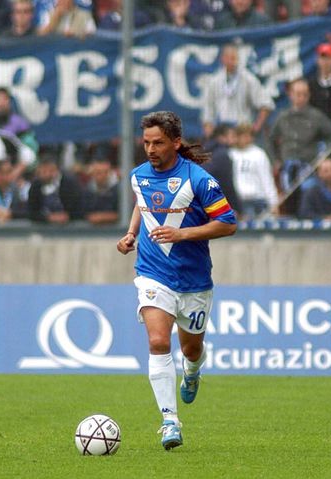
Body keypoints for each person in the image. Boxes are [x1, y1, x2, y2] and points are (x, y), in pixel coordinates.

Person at [116, 111, 237, 450]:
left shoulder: (199, 180)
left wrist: (182, 234)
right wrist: (130, 234)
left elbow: (228, 224)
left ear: (175, 142)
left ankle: (192, 371)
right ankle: (170, 421)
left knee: (191, 349)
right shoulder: (138, 176)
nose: (150, 149)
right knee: (158, 342)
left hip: (194, 280)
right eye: (146, 143)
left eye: (157, 143)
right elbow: (142, 203)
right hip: (153, 273)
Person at [267, 78, 331, 216]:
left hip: (308, 168)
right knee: (286, 200)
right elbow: (270, 139)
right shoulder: (282, 116)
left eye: (304, 94)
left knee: (308, 194)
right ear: (291, 95)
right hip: (287, 168)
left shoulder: (316, 116)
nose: (301, 98)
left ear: (308, 96)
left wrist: (325, 158)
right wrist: (275, 160)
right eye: (298, 94)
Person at [200, 43, 275, 139]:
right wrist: (208, 130)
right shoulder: (214, 81)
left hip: (242, 130)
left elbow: (266, 104)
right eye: (228, 58)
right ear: (222, 59)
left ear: (238, 59)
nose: (231, 61)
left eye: (233, 58)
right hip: (222, 131)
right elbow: (208, 108)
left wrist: (255, 129)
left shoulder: (248, 79)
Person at [228, 123, 279, 220]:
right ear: (237, 137)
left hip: (257, 200)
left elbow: (267, 179)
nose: (247, 138)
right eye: (244, 136)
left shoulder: (259, 154)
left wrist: (273, 202)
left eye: (249, 135)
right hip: (238, 201)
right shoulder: (230, 154)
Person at [27, 154, 83, 224]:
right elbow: (31, 211)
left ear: (57, 170)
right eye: (43, 171)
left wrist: (67, 216)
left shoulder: (70, 184)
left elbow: (78, 208)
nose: (47, 175)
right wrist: (48, 217)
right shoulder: (35, 186)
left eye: (51, 171)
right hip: (43, 226)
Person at [308, 42, 331, 127]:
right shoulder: (311, 85)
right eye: (323, 58)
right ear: (317, 60)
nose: (326, 62)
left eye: (329, 58)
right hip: (317, 130)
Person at [81, 158, 119, 226]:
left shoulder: (119, 190)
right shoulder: (87, 191)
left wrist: (103, 217)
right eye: (97, 173)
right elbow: (82, 213)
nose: (101, 175)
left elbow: (124, 213)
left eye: (105, 172)